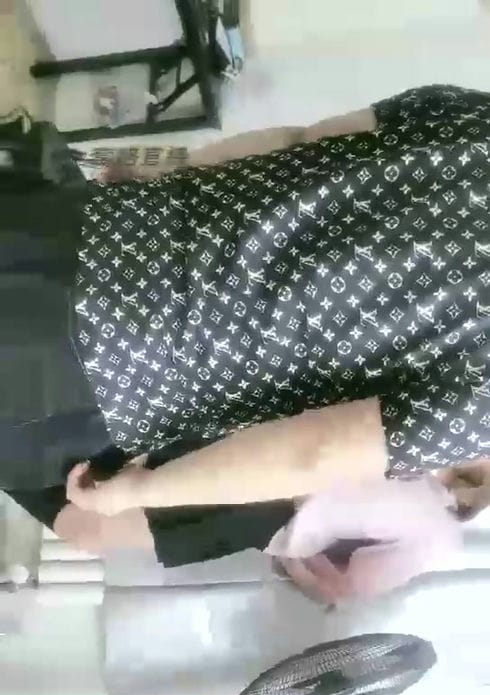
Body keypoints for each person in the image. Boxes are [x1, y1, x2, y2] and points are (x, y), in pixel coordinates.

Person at [4, 84, 490, 561]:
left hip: (96, 225)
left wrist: (160, 180)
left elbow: (297, 141)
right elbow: (313, 452)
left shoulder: (474, 113)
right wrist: (142, 490)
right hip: (113, 363)